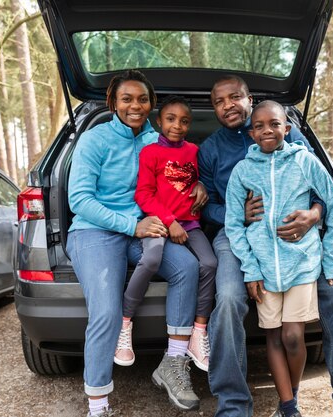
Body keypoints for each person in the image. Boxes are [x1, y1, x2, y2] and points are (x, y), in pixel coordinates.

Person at [198, 75, 333, 417]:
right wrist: (237, 213)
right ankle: (233, 405)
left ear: (249, 100)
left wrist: (313, 215)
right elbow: (206, 205)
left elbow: (323, 191)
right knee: (231, 299)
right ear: (215, 108)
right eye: (220, 101)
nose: (228, 105)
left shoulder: (291, 140)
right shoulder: (210, 149)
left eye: (235, 97)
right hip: (235, 235)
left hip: (298, 236)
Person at [67, 70, 204, 416]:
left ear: (152, 104)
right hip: (95, 231)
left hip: (145, 225)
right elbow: (79, 200)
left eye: (142, 99)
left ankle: (173, 363)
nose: (135, 105)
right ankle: (98, 407)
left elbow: (177, 179)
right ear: (113, 102)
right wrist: (132, 225)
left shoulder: (156, 141)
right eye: (127, 98)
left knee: (187, 267)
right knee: (107, 312)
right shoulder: (94, 140)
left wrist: (198, 187)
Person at [224, 100, 333, 417]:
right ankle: (289, 407)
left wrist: (332, 258)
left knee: (293, 337)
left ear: (287, 128)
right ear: (251, 133)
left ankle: (290, 395)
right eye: (260, 126)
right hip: (264, 269)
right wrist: (250, 269)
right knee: (274, 336)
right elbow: (233, 226)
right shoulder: (242, 171)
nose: (268, 130)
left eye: (275, 124)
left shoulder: (304, 161)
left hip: (301, 263)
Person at [114, 95, 216, 373]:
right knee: (151, 258)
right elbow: (143, 194)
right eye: (170, 119)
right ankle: (124, 322)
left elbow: (202, 177)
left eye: (184, 121)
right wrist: (169, 221)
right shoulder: (150, 152)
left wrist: (203, 184)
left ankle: (199, 331)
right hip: (159, 222)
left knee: (209, 263)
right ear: (159, 121)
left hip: (190, 224)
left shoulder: (194, 151)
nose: (177, 126)